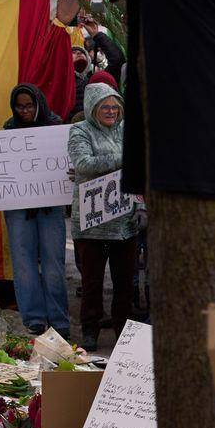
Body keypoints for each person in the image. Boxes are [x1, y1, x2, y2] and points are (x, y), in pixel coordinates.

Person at [67, 81, 140, 348]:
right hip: (91, 224)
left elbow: (141, 167)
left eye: (115, 107)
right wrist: (127, 159)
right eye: (105, 107)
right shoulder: (79, 131)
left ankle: (123, 334)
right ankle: (90, 331)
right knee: (91, 283)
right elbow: (84, 165)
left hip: (125, 222)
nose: (111, 112)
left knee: (124, 283)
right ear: (93, 108)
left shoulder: (127, 130)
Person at [3, 84, 70, 335]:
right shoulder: (9, 129)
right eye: (20, 106)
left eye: (29, 105)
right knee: (23, 262)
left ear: (38, 103)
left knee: (54, 262)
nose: (25, 111)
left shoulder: (55, 126)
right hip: (19, 206)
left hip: (50, 205)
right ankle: (34, 319)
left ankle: (60, 321)